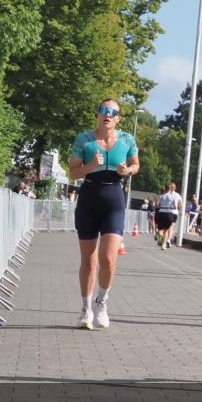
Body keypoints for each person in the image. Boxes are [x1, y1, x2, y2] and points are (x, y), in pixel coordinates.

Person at [68, 99, 139, 330]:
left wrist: (127, 170)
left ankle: (102, 303)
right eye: (103, 111)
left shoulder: (127, 139)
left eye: (113, 112)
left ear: (118, 118)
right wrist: (90, 166)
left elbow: (136, 164)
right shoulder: (84, 140)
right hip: (89, 197)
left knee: (108, 259)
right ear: (97, 114)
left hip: (114, 199)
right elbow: (72, 172)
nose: (107, 115)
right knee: (88, 261)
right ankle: (85, 309)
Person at [155, 183, 182, 250]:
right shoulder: (172, 197)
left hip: (161, 213)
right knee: (166, 230)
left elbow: (157, 205)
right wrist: (173, 207)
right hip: (169, 213)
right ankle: (163, 245)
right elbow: (175, 206)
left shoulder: (161, 196)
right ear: (170, 189)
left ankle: (159, 239)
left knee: (160, 229)